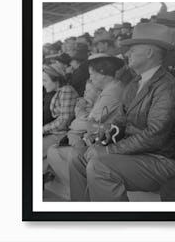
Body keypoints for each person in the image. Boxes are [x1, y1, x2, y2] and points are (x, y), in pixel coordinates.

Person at [67, 23, 175, 201]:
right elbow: (121, 121)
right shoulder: (134, 84)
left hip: (160, 160)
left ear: (149, 52)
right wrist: (102, 136)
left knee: (99, 165)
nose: (127, 53)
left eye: (132, 49)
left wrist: (108, 151)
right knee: (77, 157)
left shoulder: (167, 87)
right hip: (134, 153)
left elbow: (154, 136)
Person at [46, 55, 125, 193]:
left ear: (102, 73)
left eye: (92, 74)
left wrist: (75, 121)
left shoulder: (111, 92)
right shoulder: (111, 89)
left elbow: (88, 124)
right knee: (59, 151)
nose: (91, 79)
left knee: (63, 153)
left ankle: (83, 197)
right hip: (98, 139)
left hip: (102, 142)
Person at [43, 63, 79, 171]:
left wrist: (43, 129)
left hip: (63, 134)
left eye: (45, 80)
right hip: (56, 132)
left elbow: (65, 120)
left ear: (56, 79)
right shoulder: (59, 92)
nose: (42, 84)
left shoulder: (66, 90)